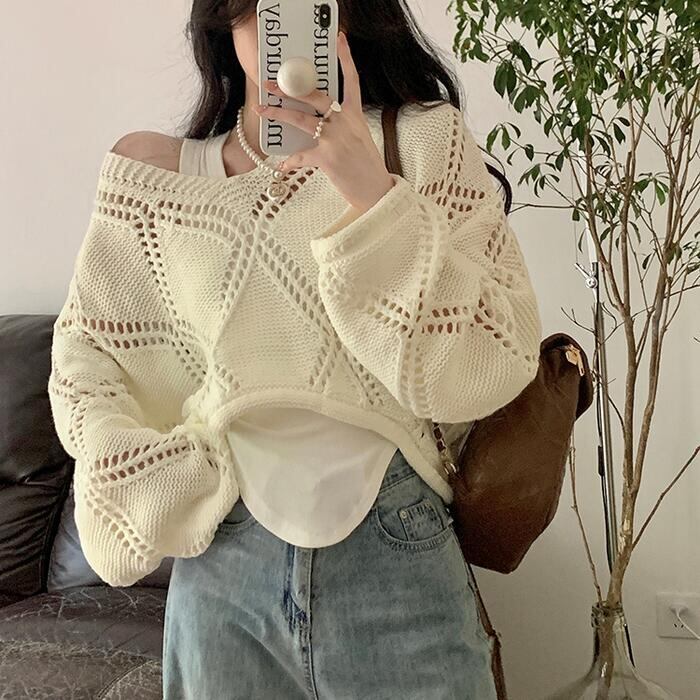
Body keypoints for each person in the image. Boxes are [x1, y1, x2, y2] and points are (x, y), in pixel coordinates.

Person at [48, 1, 542, 698]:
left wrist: (371, 191)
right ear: (225, 18)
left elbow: (494, 358)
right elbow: (86, 362)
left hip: (396, 549)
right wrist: (151, 474)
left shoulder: (422, 140)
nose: (280, 22)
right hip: (223, 570)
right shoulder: (157, 176)